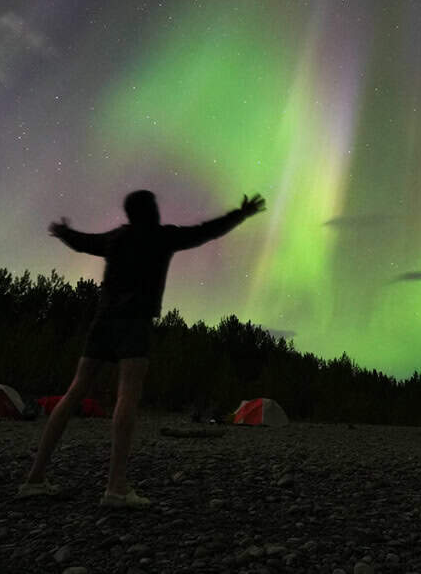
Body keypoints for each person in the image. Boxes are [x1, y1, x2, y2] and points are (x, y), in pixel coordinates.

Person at [18, 189, 266, 508]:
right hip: (134, 323)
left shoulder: (116, 238)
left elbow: (84, 242)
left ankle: (35, 478)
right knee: (127, 397)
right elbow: (205, 231)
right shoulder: (162, 237)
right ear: (150, 211)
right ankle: (116, 488)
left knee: (74, 392)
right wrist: (240, 215)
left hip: (103, 321)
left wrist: (64, 232)